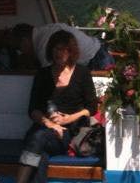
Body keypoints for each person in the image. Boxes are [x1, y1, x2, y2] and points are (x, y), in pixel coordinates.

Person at [16, 30, 97, 183]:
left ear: (71, 51)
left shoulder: (82, 73)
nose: (59, 53)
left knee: (37, 138)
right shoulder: (43, 74)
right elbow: (33, 110)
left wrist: (68, 119)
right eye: (55, 49)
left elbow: (92, 108)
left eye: (63, 49)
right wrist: (51, 124)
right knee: (41, 153)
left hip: (68, 132)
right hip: (45, 127)